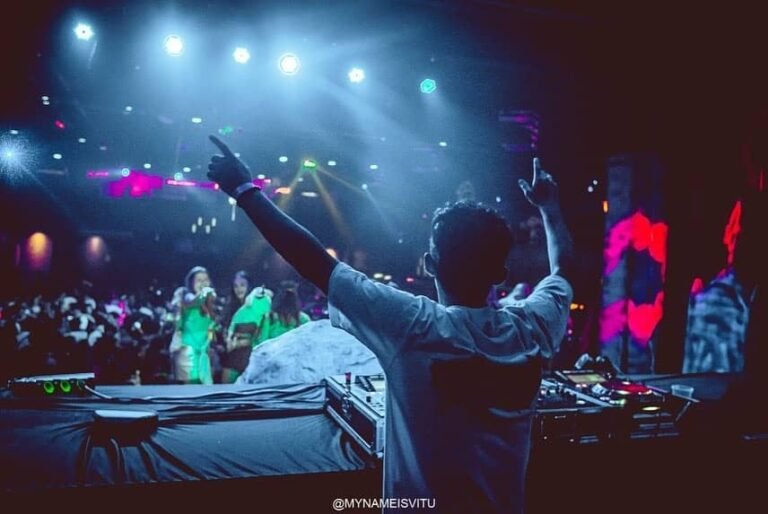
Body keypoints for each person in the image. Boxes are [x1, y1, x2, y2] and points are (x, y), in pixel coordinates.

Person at [208, 136, 572, 513]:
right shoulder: (532, 328)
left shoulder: (415, 326)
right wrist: (549, 208)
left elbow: (314, 261)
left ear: (429, 265)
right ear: (501, 274)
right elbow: (563, 270)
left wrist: (244, 189)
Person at [172, 266, 217, 384]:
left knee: (205, 390)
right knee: (190, 390)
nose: (203, 283)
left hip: (203, 353)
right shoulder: (186, 296)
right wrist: (204, 294)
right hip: (188, 353)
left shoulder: (209, 304)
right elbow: (193, 301)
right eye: (199, 280)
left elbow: (211, 329)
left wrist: (210, 343)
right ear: (191, 283)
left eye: (205, 280)